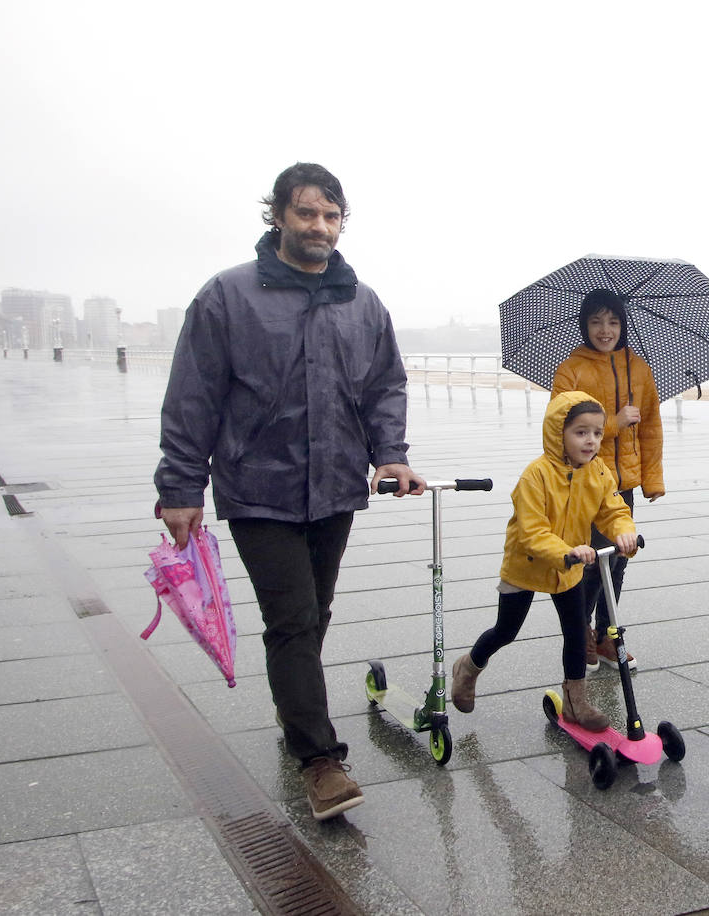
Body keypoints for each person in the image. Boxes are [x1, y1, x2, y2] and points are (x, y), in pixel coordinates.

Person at [153, 162, 426, 821]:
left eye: (332, 216)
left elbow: (384, 385)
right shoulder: (227, 296)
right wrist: (181, 487)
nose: (320, 227)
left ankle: (294, 703)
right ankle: (320, 761)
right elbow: (193, 396)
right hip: (257, 488)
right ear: (276, 215)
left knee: (314, 613)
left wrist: (391, 455)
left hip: (334, 487)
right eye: (307, 213)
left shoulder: (361, 303)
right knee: (294, 618)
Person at [450, 391, 637, 730]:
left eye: (596, 432)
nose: (591, 441)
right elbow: (532, 532)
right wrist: (567, 551)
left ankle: (576, 700)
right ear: (558, 433)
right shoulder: (535, 476)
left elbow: (613, 509)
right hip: (527, 565)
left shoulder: (598, 472)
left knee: (576, 631)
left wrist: (623, 531)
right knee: (506, 630)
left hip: (568, 570)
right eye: (581, 432)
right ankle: (469, 666)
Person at [550, 289, 664, 671]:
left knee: (618, 561)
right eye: (597, 321)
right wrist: (613, 422)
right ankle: (581, 633)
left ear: (623, 325)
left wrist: (652, 478)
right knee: (590, 561)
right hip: (584, 482)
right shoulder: (572, 369)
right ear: (585, 324)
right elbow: (561, 426)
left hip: (623, 484)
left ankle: (605, 636)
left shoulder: (640, 368)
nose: (605, 330)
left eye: (613, 321)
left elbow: (651, 428)